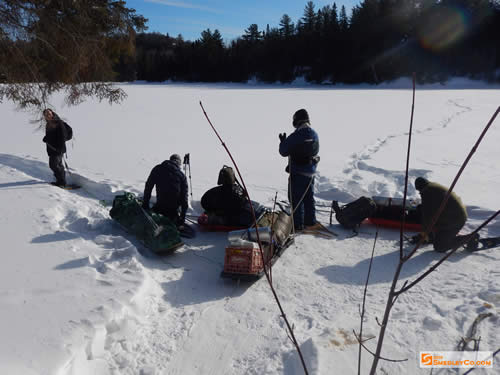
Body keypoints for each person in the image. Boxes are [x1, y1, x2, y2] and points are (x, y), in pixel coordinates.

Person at [278, 108, 320, 231]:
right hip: (310, 173)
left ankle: (297, 225)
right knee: (308, 198)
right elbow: (315, 151)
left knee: (296, 199)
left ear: (297, 120)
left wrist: (282, 142)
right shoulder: (314, 134)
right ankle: (310, 221)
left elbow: (283, 151)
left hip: (298, 173)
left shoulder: (296, 135)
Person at [414, 177, 473, 252]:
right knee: (421, 209)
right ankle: (432, 236)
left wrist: (424, 233)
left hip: (455, 220)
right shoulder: (433, 186)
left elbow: (427, 215)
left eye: (419, 191)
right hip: (455, 215)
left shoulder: (427, 192)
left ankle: (470, 238)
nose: (419, 193)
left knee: (440, 246)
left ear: (420, 188)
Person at [142, 154, 188, 227]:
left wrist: (145, 203)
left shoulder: (157, 168)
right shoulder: (182, 175)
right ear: (179, 164)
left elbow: (148, 186)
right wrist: (183, 217)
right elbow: (184, 198)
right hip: (173, 211)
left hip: (159, 206)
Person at [42, 109, 68, 186]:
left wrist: (60, 148)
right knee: (58, 165)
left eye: (49, 114)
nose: (48, 115)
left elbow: (63, 136)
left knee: (53, 165)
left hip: (58, 149)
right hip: (52, 149)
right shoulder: (48, 124)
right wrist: (46, 138)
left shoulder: (58, 123)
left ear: (52, 114)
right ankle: (61, 181)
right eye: (46, 115)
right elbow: (52, 135)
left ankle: (61, 181)